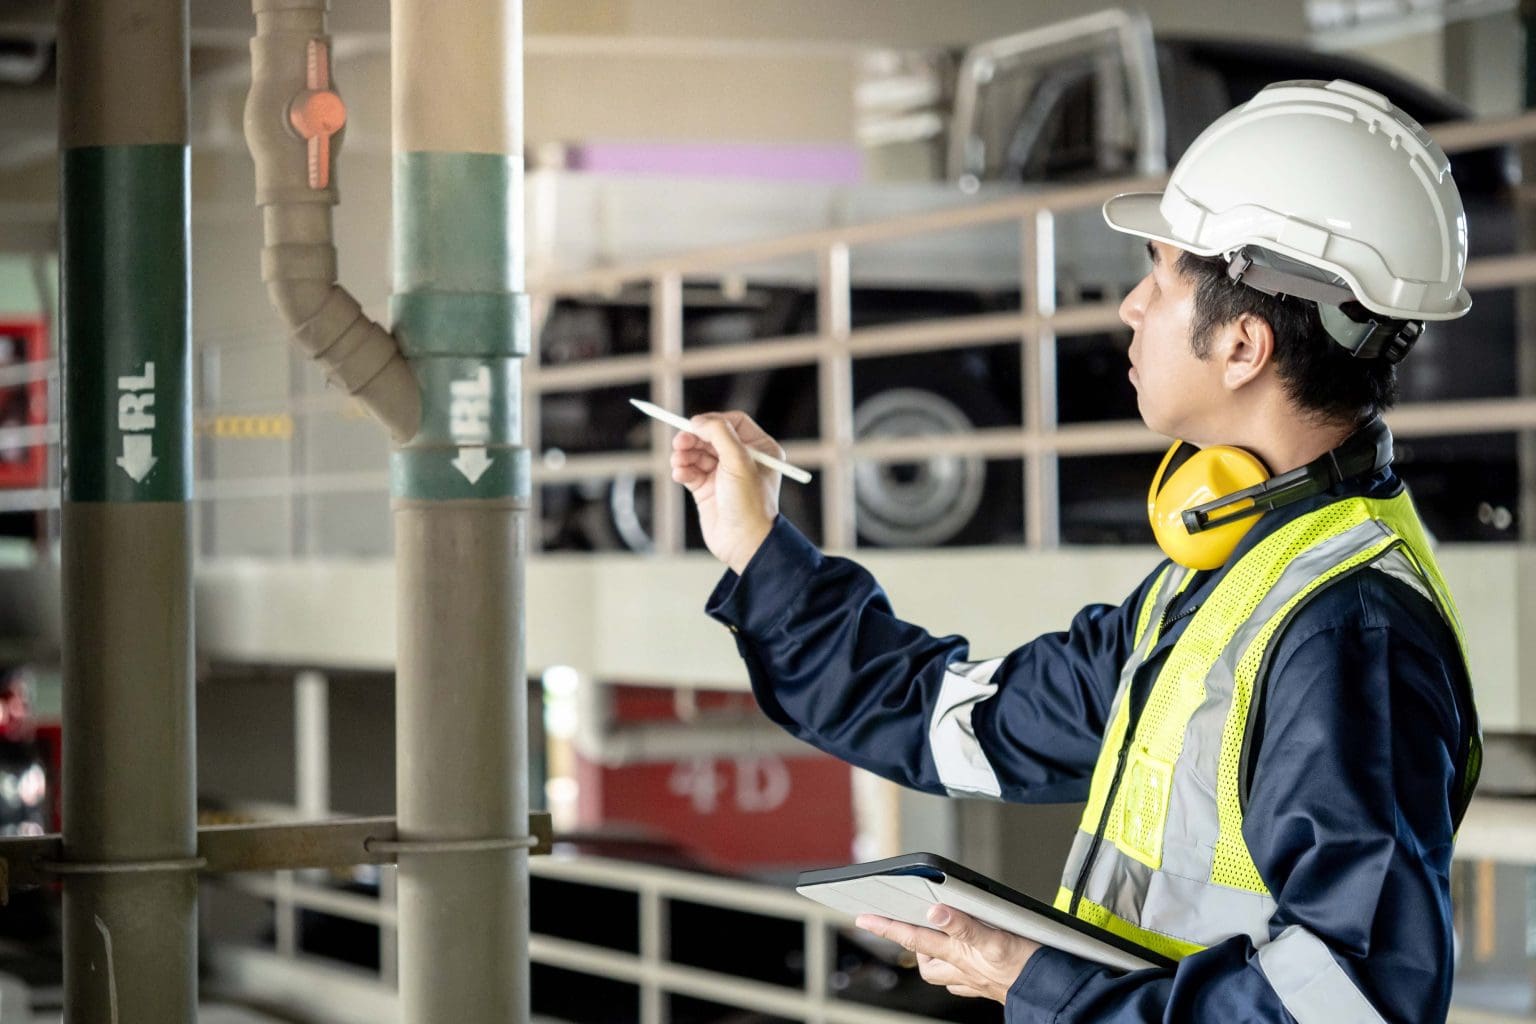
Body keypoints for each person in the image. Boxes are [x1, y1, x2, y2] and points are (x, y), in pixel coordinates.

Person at [670, 79, 1482, 1023]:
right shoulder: (1221, 579)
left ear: (1244, 346)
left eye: (1161, 278)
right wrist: (757, 545)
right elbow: (950, 720)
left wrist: (1038, 984)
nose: (1132, 306)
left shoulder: (1346, 635)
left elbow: (1352, 1006)